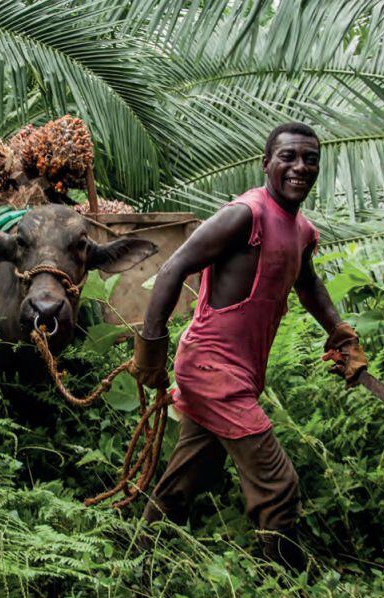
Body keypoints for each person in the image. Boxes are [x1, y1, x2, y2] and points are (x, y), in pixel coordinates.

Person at [130, 122, 368, 571]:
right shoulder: (246, 215)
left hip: (239, 374)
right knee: (278, 484)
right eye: (289, 157)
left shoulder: (302, 231)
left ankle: (140, 562)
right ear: (266, 163)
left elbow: (309, 284)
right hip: (210, 370)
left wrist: (341, 334)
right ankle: (288, 589)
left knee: (188, 476)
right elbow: (172, 269)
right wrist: (151, 350)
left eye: (310, 159)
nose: (300, 167)